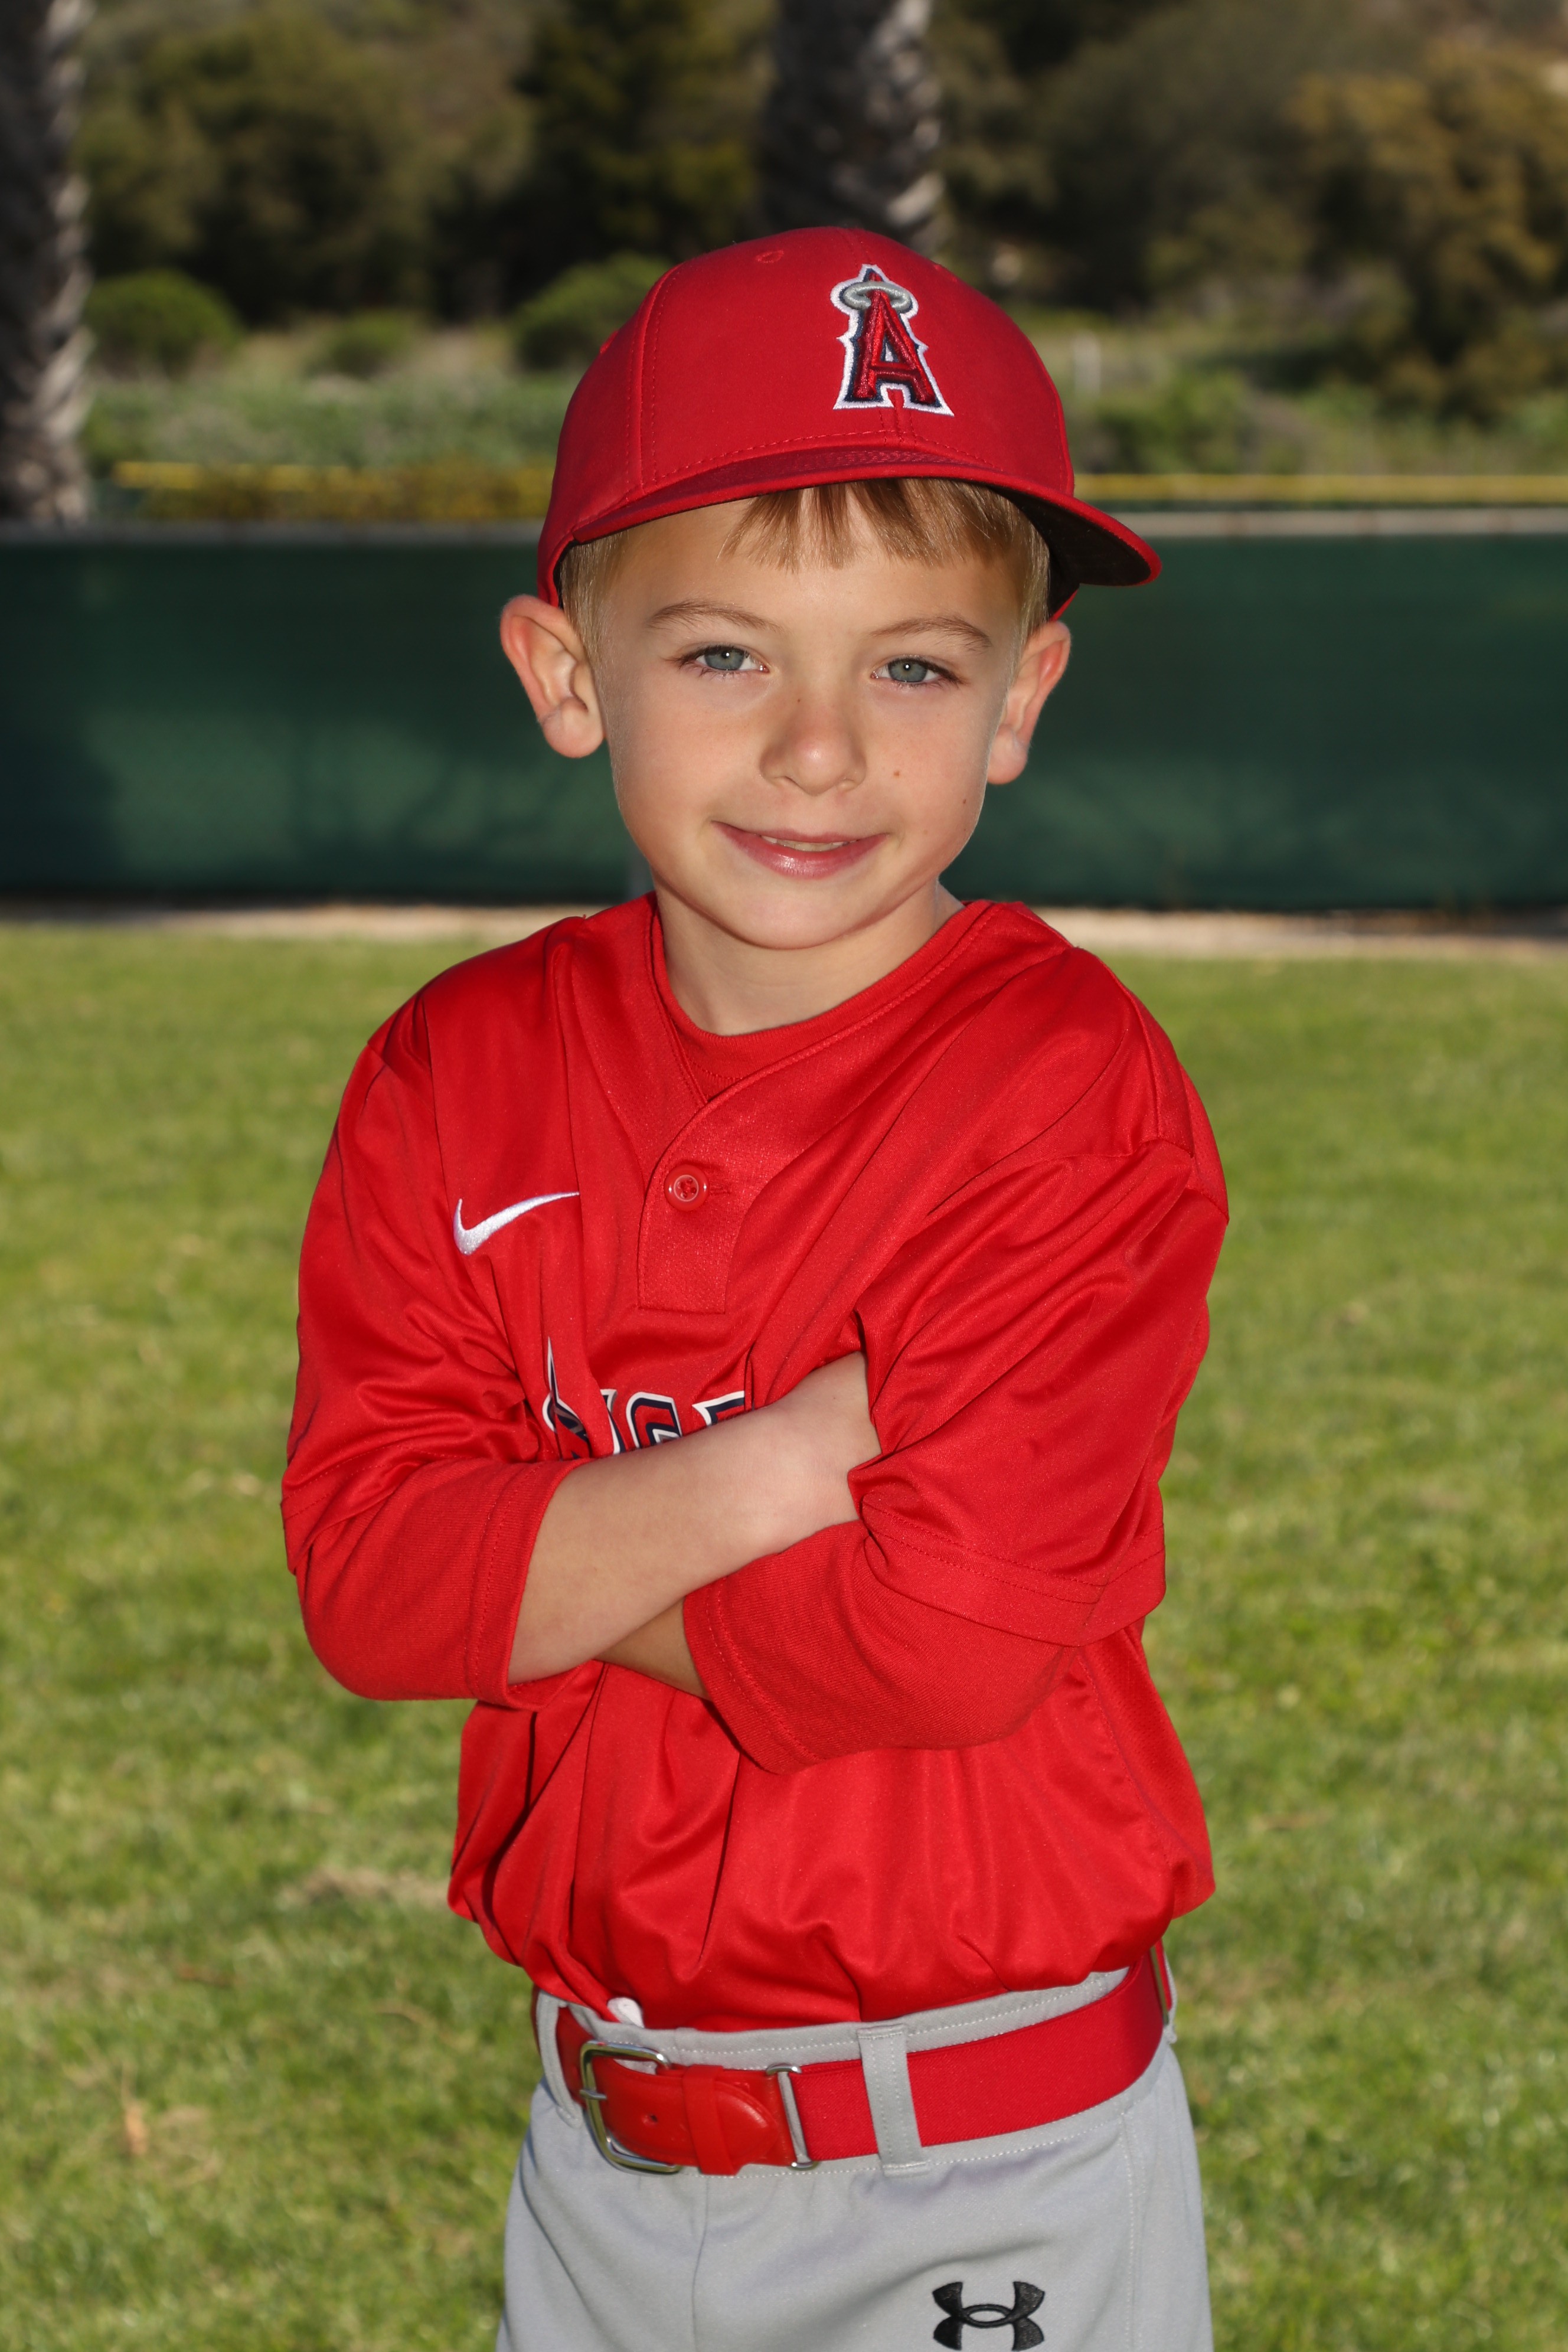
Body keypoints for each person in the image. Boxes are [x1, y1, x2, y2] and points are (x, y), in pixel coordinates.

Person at [283, 228, 1227, 2352]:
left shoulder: (1066, 1087)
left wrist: (528, 1564)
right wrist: (776, 1470)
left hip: (984, 2146)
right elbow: (366, 1587)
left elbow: (942, 1639)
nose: (818, 749)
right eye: (724, 655)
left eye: (914, 668)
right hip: (600, 2145)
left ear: (1023, 698)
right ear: (568, 674)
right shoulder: (453, 1069)